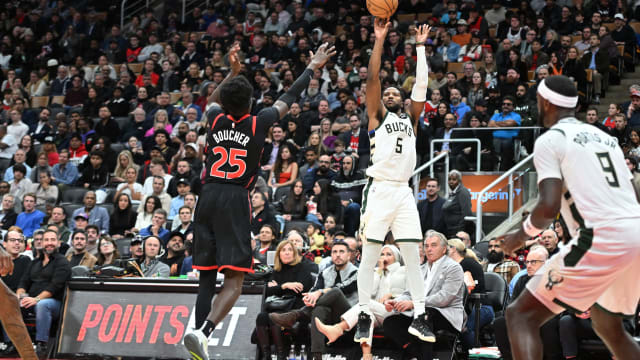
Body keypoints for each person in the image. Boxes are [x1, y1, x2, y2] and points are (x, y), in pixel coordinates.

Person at [184, 42, 336, 360]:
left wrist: (232, 73)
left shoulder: (214, 118)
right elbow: (289, 97)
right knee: (236, 279)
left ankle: (198, 337)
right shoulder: (259, 121)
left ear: (224, 102)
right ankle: (204, 332)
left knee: (208, 276)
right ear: (251, 102)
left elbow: (212, 101)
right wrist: (312, 66)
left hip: (206, 196)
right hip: (235, 197)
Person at [500, 75, 640, 360]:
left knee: (520, 316)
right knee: (608, 325)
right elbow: (632, 192)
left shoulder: (551, 140)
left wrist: (517, 237)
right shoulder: (606, 137)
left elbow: (548, 206)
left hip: (601, 236)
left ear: (546, 102)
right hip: (635, 231)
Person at [354, 21, 432, 346]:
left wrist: (420, 48)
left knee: (412, 253)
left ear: (401, 98)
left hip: (403, 190)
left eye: (393, 92)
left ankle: (422, 315)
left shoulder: (411, 119)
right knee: (370, 254)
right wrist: (379, 40)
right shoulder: (376, 117)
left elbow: (422, 88)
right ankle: (362, 314)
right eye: (385, 93)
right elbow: (372, 77)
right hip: (379, 188)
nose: (388, 94)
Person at [382, 231, 465, 360]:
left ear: (444, 249)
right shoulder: (420, 269)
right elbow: (409, 293)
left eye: (433, 245)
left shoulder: (453, 268)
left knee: (425, 316)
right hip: (420, 312)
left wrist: (414, 304)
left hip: (446, 314)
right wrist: (396, 302)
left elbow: (444, 298)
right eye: (426, 246)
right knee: (390, 322)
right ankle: (415, 354)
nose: (429, 249)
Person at [269, 240, 358, 360]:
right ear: (331, 255)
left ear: (349, 255)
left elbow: (343, 288)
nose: (337, 255)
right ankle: (317, 356)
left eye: (341, 252)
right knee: (319, 310)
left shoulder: (357, 272)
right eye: (334, 252)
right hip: (327, 313)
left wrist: (319, 293)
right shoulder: (325, 272)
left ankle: (296, 315)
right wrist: (309, 298)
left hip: (348, 315)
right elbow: (313, 290)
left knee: (335, 292)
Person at [315, 245, 406, 359]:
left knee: (365, 304)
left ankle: (338, 329)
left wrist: (391, 295)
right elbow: (371, 291)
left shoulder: (402, 270)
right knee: (366, 315)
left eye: (389, 254)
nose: (384, 257)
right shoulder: (376, 272)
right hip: (376, 310)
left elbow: (405, 293)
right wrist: (378, 271)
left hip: (394, 312)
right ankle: (366, 356)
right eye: (382, 254)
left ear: (396, 256)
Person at [254, 239, 315, 359]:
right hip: (278, 306)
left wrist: (278, 287)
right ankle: (266, 355)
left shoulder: (303, 268)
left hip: (296, 308)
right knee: (261, 317)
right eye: (283, 250)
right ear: (278, 254)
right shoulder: (275, 271)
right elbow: (268, 291)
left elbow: (301, 288)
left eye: (290, 250)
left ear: (294, 253)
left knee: (273, 317)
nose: (287, 252)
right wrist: (285, 285)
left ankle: (280, 355)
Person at [16, 229, 71, 358]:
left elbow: (54, 287)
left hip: (55, 304)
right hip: (33, 300)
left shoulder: (62, 262)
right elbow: (23, 283)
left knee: (43, 304)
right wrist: (20, 296)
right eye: (46, 240)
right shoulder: (34, 262)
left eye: (53, 240)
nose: (49, 243)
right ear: (42, 242)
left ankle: (42, 345)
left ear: (58, 243)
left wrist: (35, 299)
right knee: (13, 304)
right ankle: (13, 343)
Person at [447, 238, 493, 348]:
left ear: (453, 249)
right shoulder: (451, 266)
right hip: (464, 308)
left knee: (466, 328)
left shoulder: (468, 264)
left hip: (481, 307)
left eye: (445, 248)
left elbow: (472, 288)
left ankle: (478, 356)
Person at [442, 170, 472, 238]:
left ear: (459, 181)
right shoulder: (453, 193)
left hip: (458, 233)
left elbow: (466, 213)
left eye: (454, 179)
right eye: (449, 179)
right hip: (449, 231)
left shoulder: (463, 192)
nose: (451, 182)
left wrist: (459, 231)